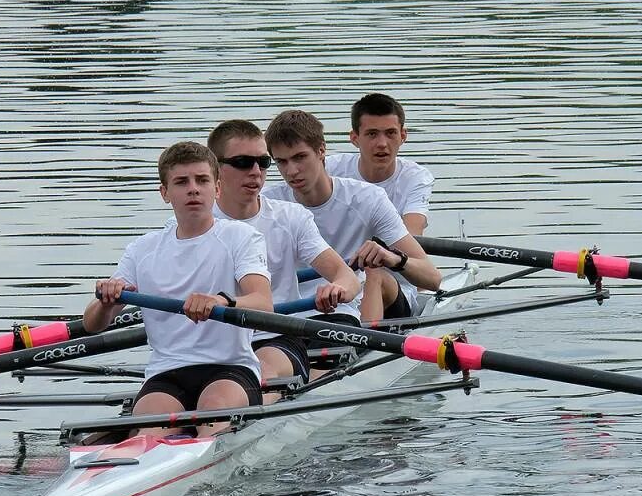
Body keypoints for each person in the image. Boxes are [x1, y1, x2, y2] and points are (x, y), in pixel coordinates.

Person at [83, 141, 272, 438]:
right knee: (147, 437)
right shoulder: (142, 250)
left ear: (217, 189)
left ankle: (206, 450)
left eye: (202, 180)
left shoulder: (242, 237)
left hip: (230, 369)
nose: (193, 189)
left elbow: (263, 303)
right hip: (167, 373)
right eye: (182, 182)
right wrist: (105, 302)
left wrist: (222, 302)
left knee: (212, 415)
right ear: (164, 193)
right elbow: (92, 325)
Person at [207, 119, 360, 386]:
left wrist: (337, 289)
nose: (256, 172)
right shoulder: (192, 225)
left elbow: (346, 277)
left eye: (263, 163)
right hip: (213, 342)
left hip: (277, 336)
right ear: (215, 169)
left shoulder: (290, 218)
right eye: (243, 162)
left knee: (260, 375)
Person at [262, 110, 441, 320]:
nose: (291, 171)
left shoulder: (368, 199)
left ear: (321, 151)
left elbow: (433, 278)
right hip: (300, 309)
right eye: (282, 162)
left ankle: (361, 347)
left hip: (366, 301)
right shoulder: (268, 204)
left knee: (372, 269)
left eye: (300, 157)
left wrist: (391, 258)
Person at [325, 93, 433, 236]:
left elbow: (413, 235)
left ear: (403, 136)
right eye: (372, 134)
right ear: (354, 138)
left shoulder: (416, 177)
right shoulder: (328, 169)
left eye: (390, 133)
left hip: (392, 255)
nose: (382, 144)